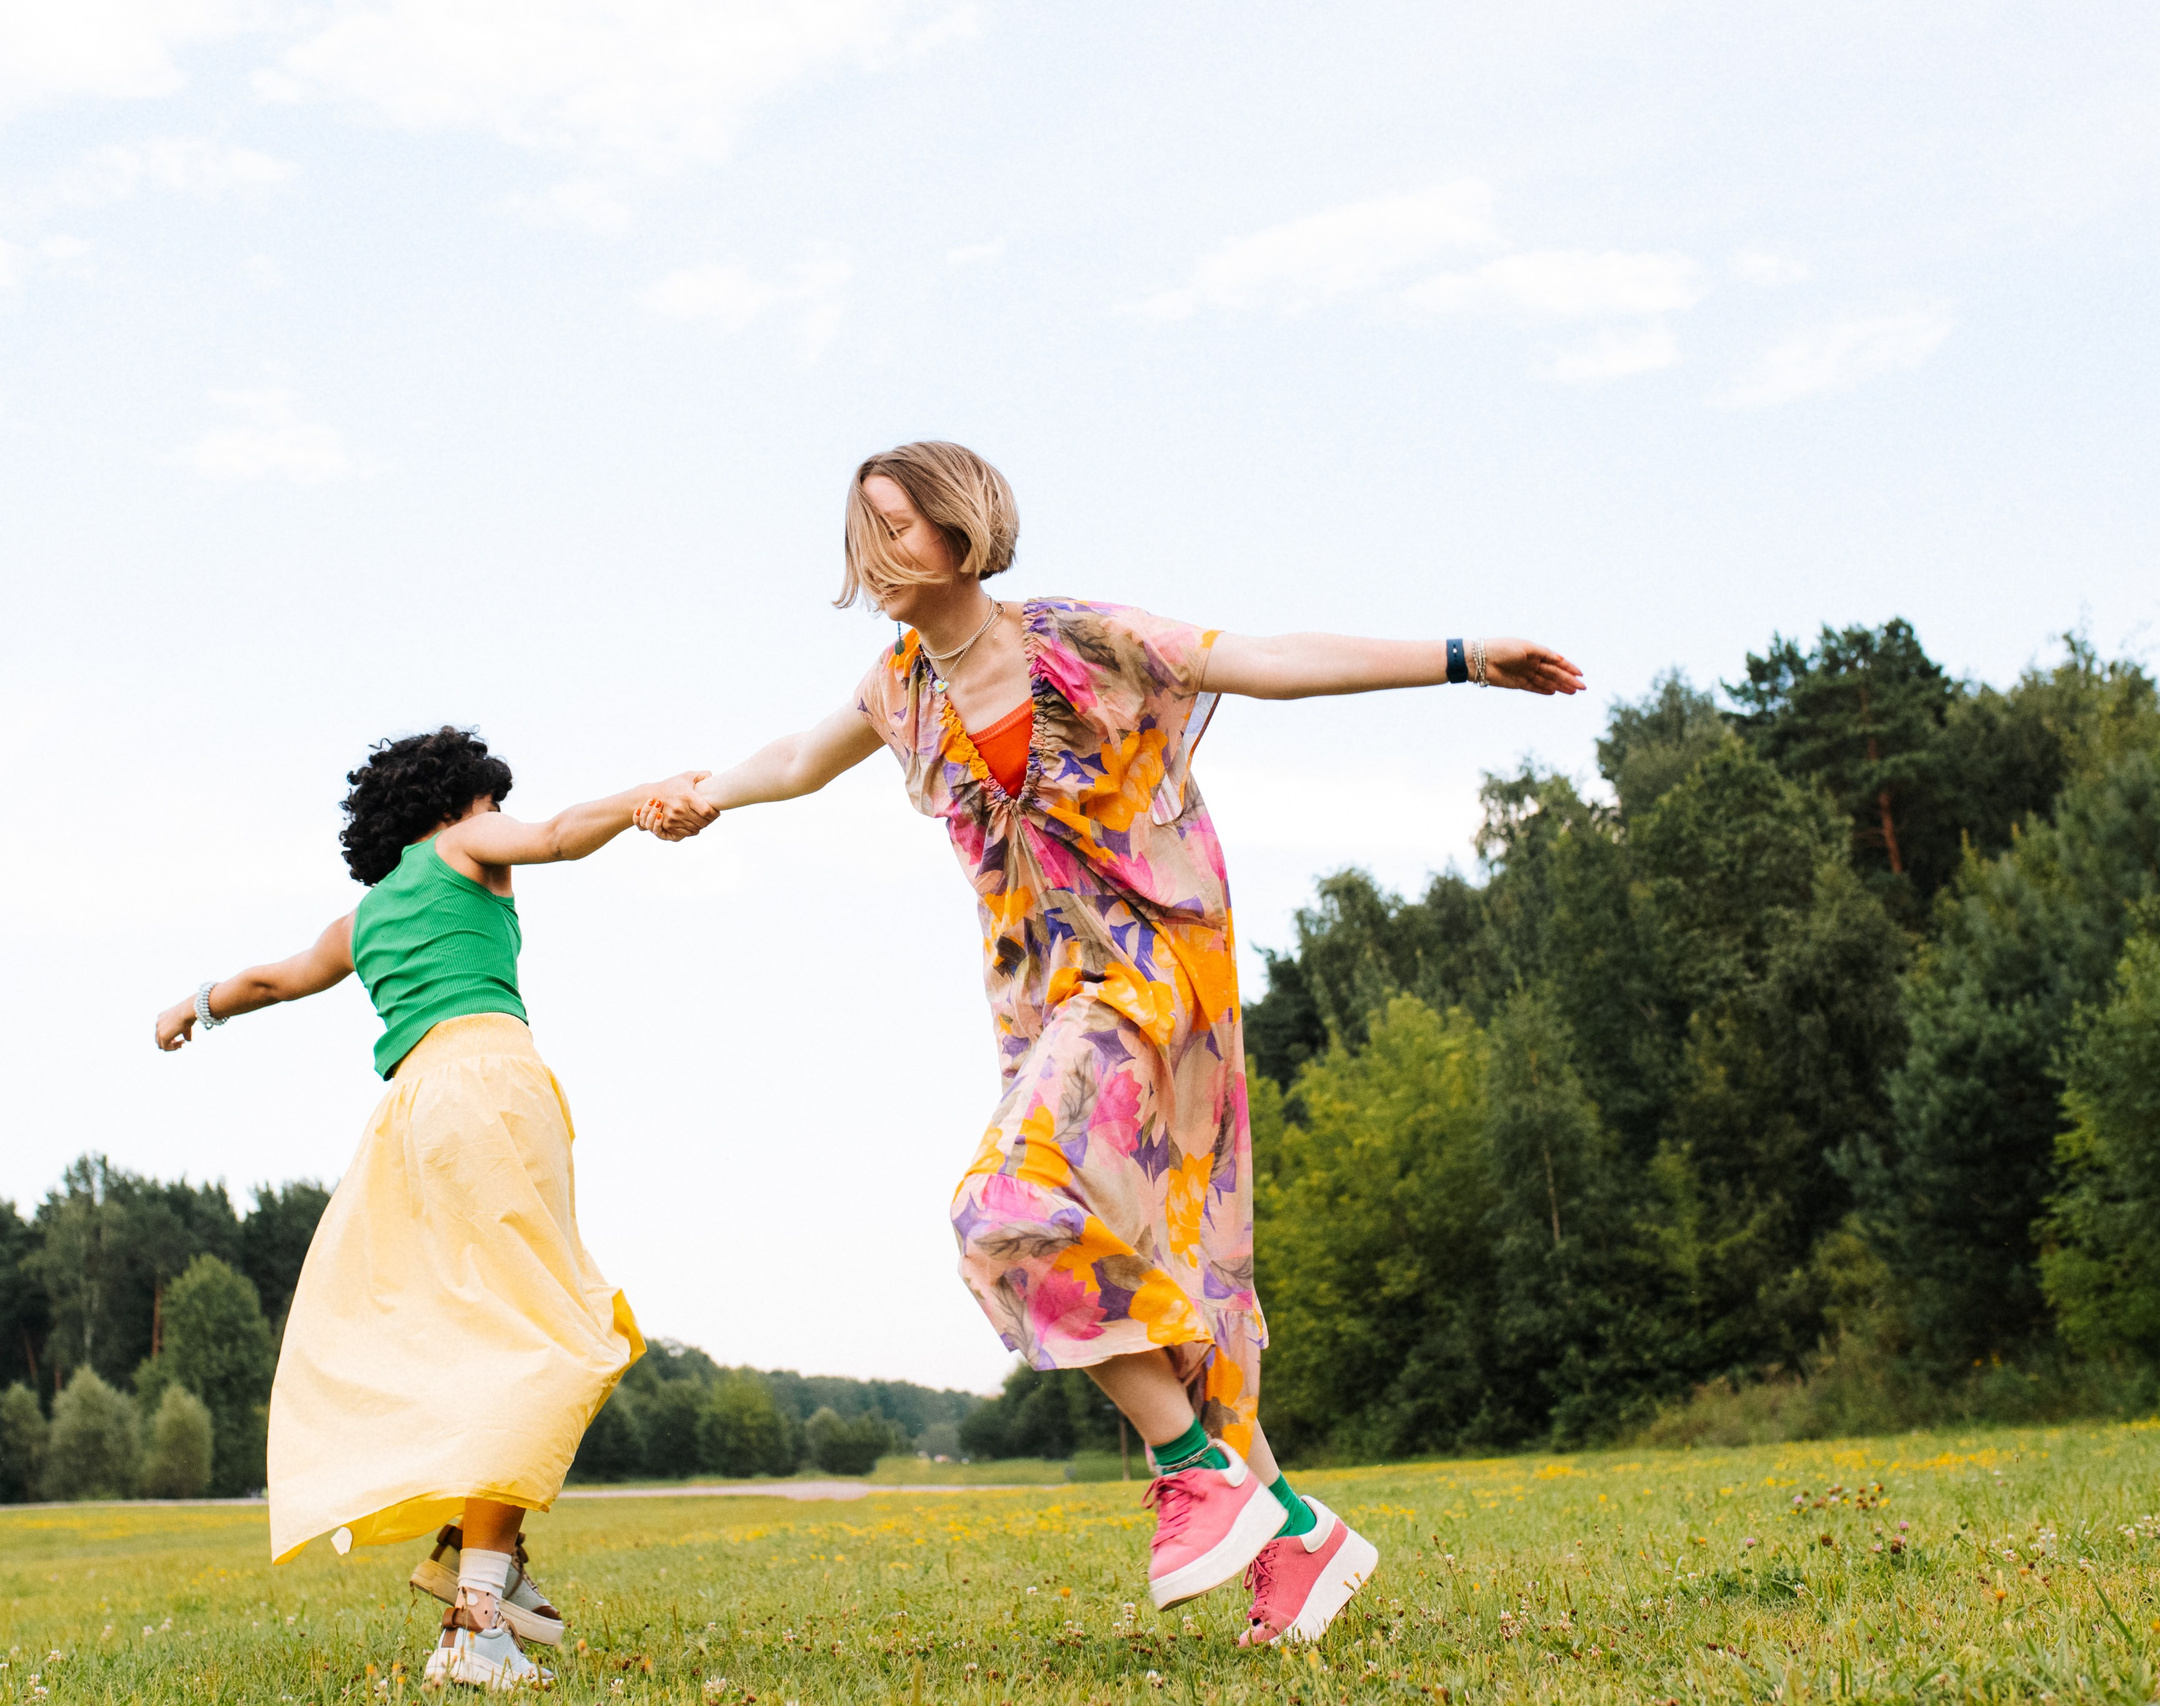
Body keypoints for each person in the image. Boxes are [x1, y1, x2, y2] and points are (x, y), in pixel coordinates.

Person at [654, 441, 1583, 1648]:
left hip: (1154, 978)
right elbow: (791, 760)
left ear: (962, 529)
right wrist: (704, 794)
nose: (871, 552)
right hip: (1047, 1013)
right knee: (1156, 1279)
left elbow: (1264, 663)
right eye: (859, 527)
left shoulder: (1079, 637)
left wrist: (1460, 658)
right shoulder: (901, 690)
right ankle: (1295, 1537)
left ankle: (1192, 1470)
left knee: (1002, 1205)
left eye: (894, 525)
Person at [154, 726, 714, 1689]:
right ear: (453, 806)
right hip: (492, 1088)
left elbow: (272, 981)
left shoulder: (362, 918)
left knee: (493, 1334)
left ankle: (482, 1550)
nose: (497, 817)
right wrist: (643, 796)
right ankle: (476, 1619)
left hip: (411, 1116)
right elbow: (561, 834)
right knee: (548, 1334)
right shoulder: (466, 845)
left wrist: (193, 1006)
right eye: (487, 800)